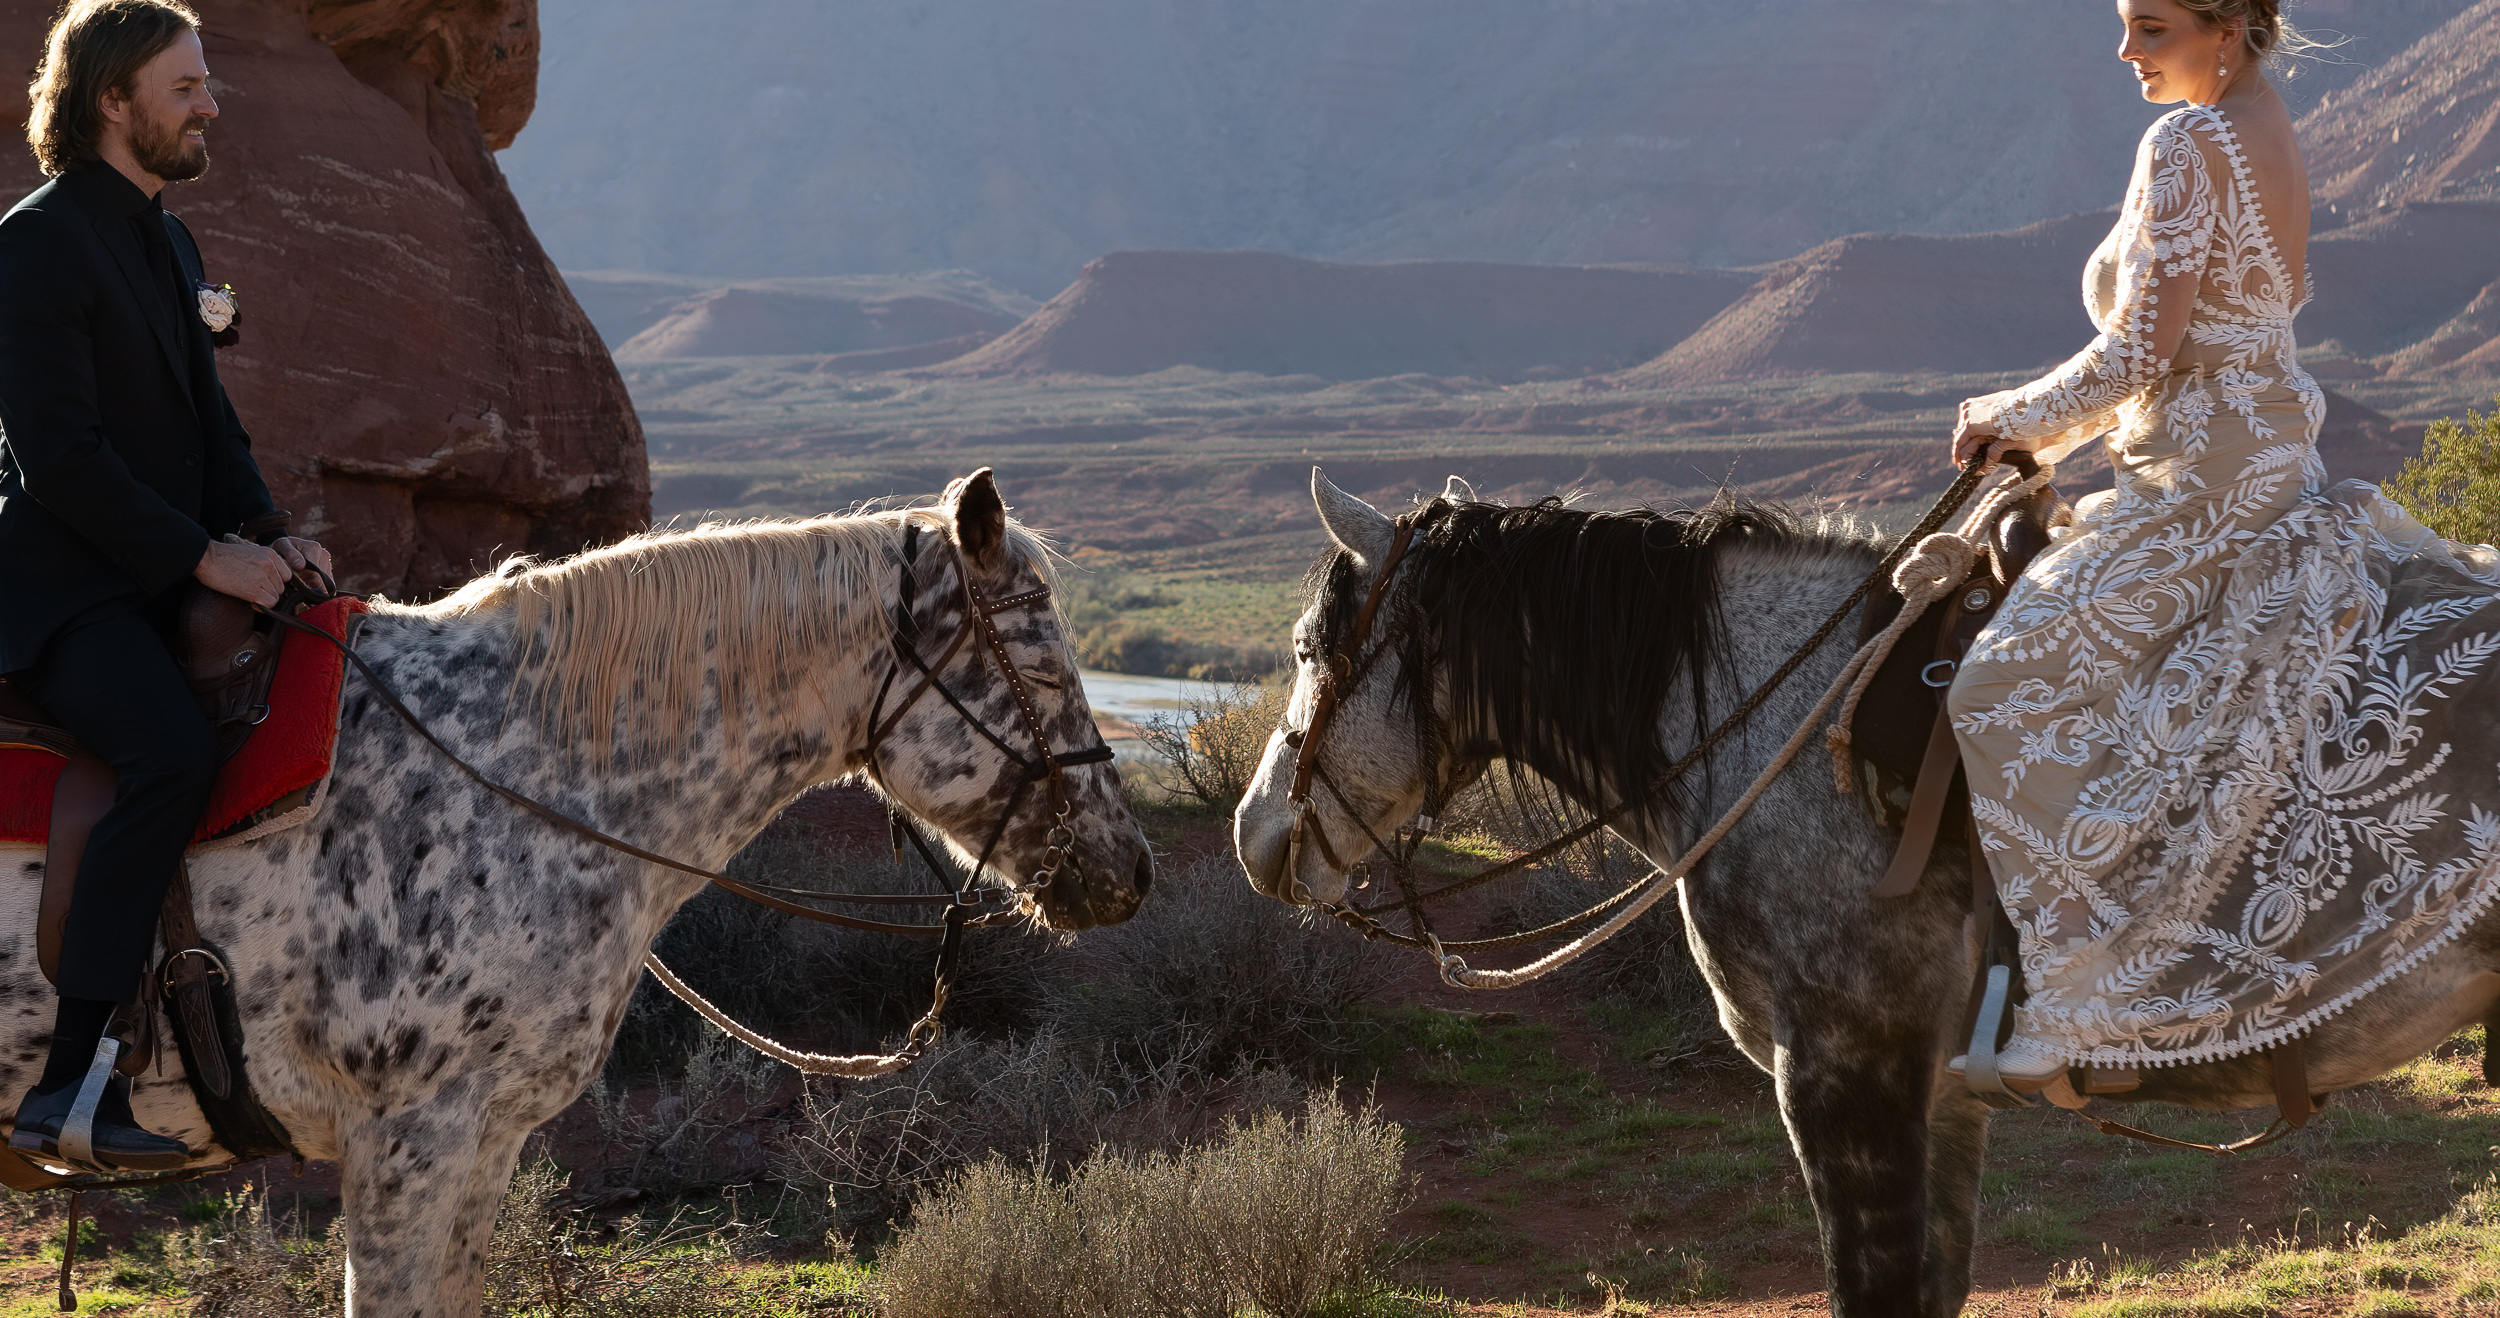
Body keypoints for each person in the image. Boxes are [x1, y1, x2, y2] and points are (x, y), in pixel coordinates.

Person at [1943, 0, 2500, 1089]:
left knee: (2000, 690)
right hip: (2252, 461)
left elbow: (2142, 348)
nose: (2125, 52)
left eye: (2151, 28)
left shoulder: (2187, 140)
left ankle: (2075, 1006)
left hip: (2197, 489)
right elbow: (2222, 332)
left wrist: (2009, 413)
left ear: (2231, 29)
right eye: (2123, 25)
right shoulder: (2268, 126)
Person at [0, 0, 331, 1171]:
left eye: (206, 84)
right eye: (185, 87)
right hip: (60, 595)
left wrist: (268, 532)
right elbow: (61, 458)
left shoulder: (174, 242)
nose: (210, 105)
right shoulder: (33, 243)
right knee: (168, 755)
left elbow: (211, 423)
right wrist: (203, 558)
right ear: (111, 101)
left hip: (157, 575)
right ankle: (70, 1089)